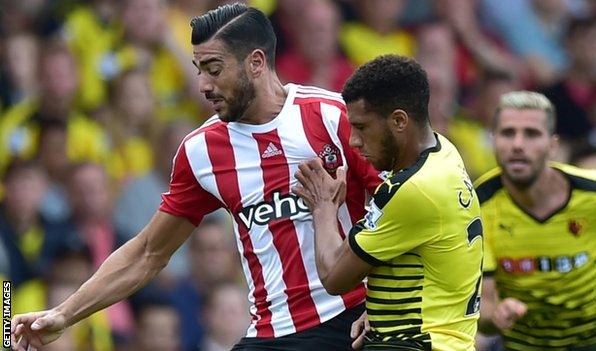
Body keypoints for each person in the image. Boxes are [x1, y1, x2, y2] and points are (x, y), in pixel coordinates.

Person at [10, 3, 380, 351]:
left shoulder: (333, 118)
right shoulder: (201, 151)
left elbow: (401, 207)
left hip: (354, 320)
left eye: (214, 69)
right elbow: (148, 251)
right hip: (274, 332)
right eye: (198, 68)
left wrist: (388, 304)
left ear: (255, 62)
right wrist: (64, 313)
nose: (202, 84)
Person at [294, 55, 483, 350]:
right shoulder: (444, 151)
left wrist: (323, 206)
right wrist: (381, 311)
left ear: (399, 121)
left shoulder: (412, 190)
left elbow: (333, 276)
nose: (354, 141)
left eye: (362, 127)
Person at [476, 91, 596, 350]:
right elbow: (483, 307)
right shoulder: (478, 206)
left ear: (553, 145)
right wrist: (497, 315)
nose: (518, 144)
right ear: (494, 140)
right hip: (527, 343)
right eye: (508, 133)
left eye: (531, 134)